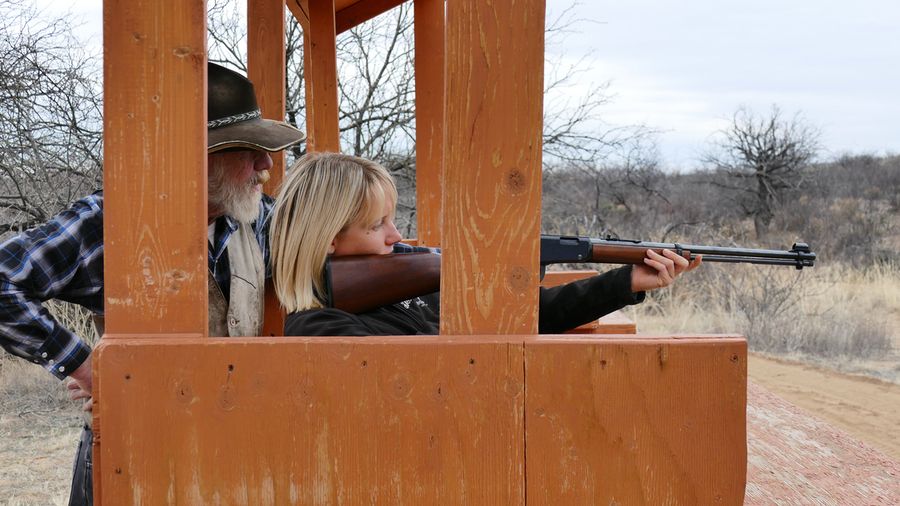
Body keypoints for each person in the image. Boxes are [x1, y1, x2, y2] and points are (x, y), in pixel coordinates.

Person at [0, 62, 305, 505]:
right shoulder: (110, 221)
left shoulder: (255, 217)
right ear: (199, 158)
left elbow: (333, 244)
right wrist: (88, 368)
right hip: (134, 457)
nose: (266, 165)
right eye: (249, 151)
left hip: (229, 448)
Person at [270, 153, 700, 336]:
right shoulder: (320, 329)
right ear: (328, 238)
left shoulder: (405, 287)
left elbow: (532, 314)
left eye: (392, 219)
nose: (396, 235)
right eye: (376, 225)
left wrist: (628, 282)